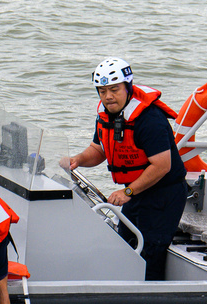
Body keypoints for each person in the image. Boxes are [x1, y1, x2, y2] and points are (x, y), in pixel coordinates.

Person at [63, 57, 188, 281]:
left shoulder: (150, 119)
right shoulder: (105, 113)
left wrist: (128, 191)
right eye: (102, 91)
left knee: (150, 254)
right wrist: (78, 159)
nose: (108, 96)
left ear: (128, 87)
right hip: (134, 193)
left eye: (114, 89)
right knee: (125, 247)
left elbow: (162, 166)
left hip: (163, 194)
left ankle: (150, 299)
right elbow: (98, 149)